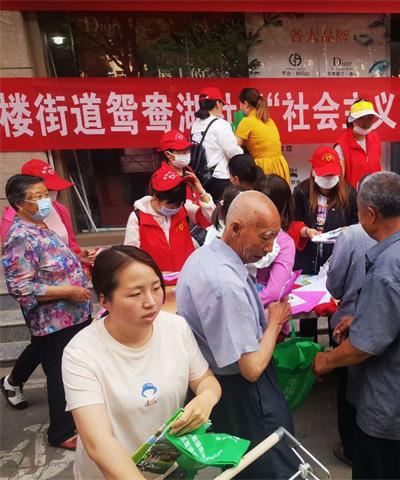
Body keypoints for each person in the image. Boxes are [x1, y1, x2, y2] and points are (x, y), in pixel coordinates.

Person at [313, 172, 400, 480]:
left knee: (380, 469)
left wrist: (326, 360)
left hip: (392, 402)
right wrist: (361, 317)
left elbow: (363, 347)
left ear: (370, 213)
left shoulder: (389, 265)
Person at [62, 246, 221, 479]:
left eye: (156, 288)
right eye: (135, 294)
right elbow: (98, 443)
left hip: (168, 466)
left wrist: (206, 398)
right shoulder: (81, 353)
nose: (151, 302)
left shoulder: (176, 328)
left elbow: (206, 380)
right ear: (105, 300)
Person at [176, 191, 298, 479]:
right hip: (243, 391)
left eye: (274, 238)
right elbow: (252, 368)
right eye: (265, 237)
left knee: (242, 467)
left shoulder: (204, 256)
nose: (270, 249)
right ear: (235, 229)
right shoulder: (224, 284)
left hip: (224, 384)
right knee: (270, 466)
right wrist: (274, 323)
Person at [1, 174, 92, 449]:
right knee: (60, 372)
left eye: (46, 194)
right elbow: (21, 287)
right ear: (19, 204)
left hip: (74, 314)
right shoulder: (19, 236)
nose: (45, 200)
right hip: (54, 320)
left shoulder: (41, 226)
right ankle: (62, 432)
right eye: (37, 196)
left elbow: (50, 264)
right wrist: (68, 291)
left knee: (66, 364)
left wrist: (79, 260)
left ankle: (79, 414)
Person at [324, 176, 377, 467]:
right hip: (386, 330)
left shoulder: (351, 236)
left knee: (349, 390)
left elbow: (334, 286)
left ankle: (350, 448)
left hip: (349, 323)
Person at [124, 163, 214, 279]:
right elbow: (131, 256)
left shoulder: (184, 208)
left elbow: (211, 218)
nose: (175, 209)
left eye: (178, 205)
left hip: (188, 277)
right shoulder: (138, 218)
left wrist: (201, 191)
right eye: (170, 205)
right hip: (156, 282)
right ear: (156, 197)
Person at [292, 146, 358, 275]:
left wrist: (348, 232)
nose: (328, 178)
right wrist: (306, 231)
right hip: (307, 259)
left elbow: (357, 226)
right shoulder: (301, 191)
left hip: (338, 259)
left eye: (332, 174)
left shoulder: (350, 193)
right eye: (324, 174)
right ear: (313, 171)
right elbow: (292, 222)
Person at [190, 86, 243, 202]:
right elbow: (233, 152)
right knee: (222, 216)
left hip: (201, 179)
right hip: (220, 179)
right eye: (222, 104)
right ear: (218, 104)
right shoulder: (221, 124)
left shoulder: (195, 125)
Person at [254, 174, 296, 307]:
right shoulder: (284, 242)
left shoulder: (241, 231)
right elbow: (275, 292)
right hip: (268, 315)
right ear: (285, 205)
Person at [235, 88, 290, 184]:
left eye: (240, 103)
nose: (240, 107)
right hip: (280, 165)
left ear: (246, 104)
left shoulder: (247, 121)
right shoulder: (268, 120)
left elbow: (234, 145)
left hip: (264, 168)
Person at [334, 99, 382, 188]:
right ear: (352, 119)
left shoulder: (375, 138)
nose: (366, 122)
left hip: (375, 196)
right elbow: (339, 180)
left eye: (370, 117)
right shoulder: (341, 146)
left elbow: (378, 167)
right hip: (352, 198)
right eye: (361, 118)